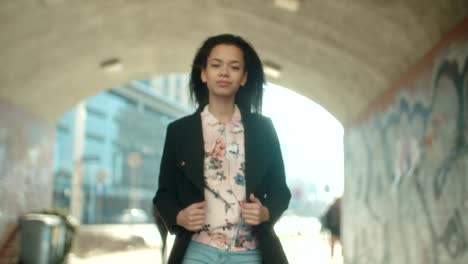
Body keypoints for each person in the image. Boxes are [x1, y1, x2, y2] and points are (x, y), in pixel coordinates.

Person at [153, 34, 291, 264]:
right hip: (197, 252)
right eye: (216, 65)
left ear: (244, 77)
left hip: (251, 254)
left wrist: (266, 213)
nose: (224, 72)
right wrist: (180, 217)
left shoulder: (264, 129)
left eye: (234, 67)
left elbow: (281, 191)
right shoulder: (179, 131)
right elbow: (164, 194)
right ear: (204, 73)